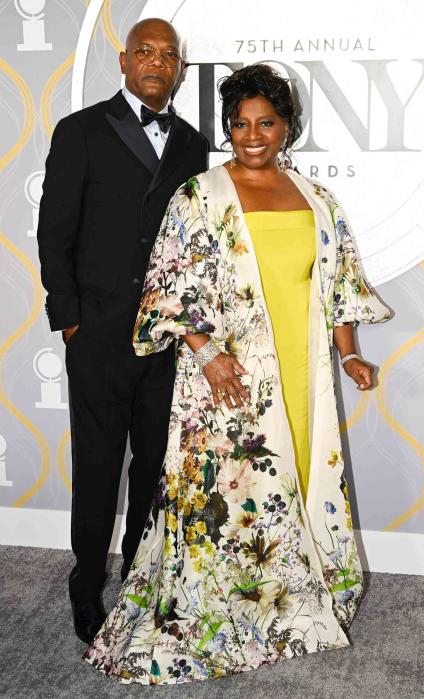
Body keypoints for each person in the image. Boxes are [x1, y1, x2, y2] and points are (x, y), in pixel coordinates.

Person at [84, 64, 391, 685]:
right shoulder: (200, 194)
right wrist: (205, 351)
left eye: (265, 123)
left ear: (287, 127)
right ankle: (223, 606)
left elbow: (337, 285)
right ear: (228, 128)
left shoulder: (315, 197)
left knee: (297, 477)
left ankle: (290, 601)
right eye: (239, 123)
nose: (251, 135)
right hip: (227, 372)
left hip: (301, 373)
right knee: (229, 492)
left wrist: (350, 352)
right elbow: (170, 284)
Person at [37, 18, 208, 645]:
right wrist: (71, 318)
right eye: (145, 51)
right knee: (100, 466)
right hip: (100, 334)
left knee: (155, 469)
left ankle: (141, 581)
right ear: (124, 60)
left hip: (166, 339)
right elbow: (54, 232)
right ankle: (86, 587)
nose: (156, 62)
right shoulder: (80, 130)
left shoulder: (192, 142)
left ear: (179, 69)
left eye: (168, 54)